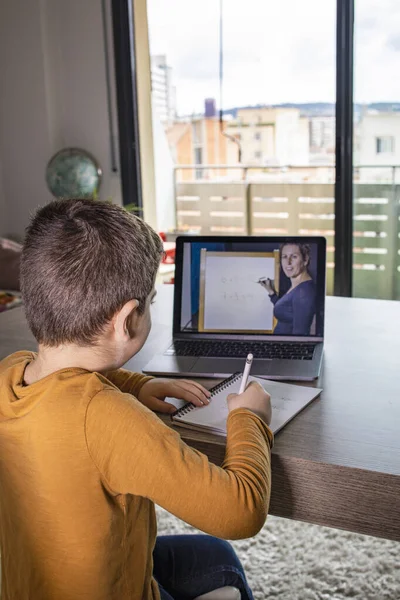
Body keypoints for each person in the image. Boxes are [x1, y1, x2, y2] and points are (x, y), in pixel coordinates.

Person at [0, 199, 273, 600]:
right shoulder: (110, 419)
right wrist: (249, 417)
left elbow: (67, 386)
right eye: (152, 301)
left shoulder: (11, 371)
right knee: (225, 563)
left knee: (215, 557)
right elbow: (241, 511)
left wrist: (135, 385)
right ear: (128, 320)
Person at [259, 243, 316, 336]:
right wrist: (271, 293)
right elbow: (287, 309)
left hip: (284, 347)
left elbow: (300, 336)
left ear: (305, 259)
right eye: (284, 257)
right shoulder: (298, 286)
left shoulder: (303, 293)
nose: (288, 262)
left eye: (294, 257)